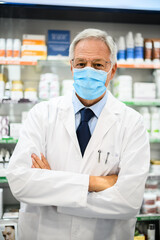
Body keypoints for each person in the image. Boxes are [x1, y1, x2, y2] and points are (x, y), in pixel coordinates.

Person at [6, 28, 150, 240]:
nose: (88, 70)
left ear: (112, 70)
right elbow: (20, 182)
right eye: (81, 63)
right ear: (71, 67)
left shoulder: (132, 123)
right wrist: (95, 183)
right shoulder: (42, 114)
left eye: (98, 64)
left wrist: (52, 187)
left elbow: (128, 202)